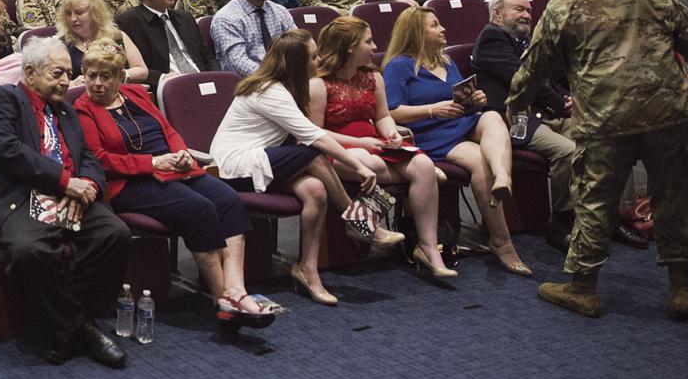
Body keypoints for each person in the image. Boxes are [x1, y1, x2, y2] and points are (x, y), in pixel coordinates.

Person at [509, 0, 688, 319]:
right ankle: (681, 291)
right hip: (667, 113)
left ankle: (583, 289)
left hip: (604, 119)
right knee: (675, 199)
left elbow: (534, 66)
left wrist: (517, 103)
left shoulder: (563, 4)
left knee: (594, 202)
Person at [75, 39, 274, 322]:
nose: (97, 83)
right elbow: (100, 159)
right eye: (91, 75)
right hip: (131, 183)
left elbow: (168, 130)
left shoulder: (137, 94)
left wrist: (181, 152)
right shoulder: (83, 109)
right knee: (199, 209)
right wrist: (153, 162)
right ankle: (223, 300)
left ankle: (236, 289)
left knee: (229, 200)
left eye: (105, 76)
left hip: (174, 168)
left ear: (120, 77)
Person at [0, 36, 131, 367]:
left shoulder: (66, 111)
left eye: (69, 73)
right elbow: (8, 151)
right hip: (20, 195)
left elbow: (87, 156)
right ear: (30, 72)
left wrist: (88, 186)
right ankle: (82, 328)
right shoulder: (2, 99)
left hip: (69, 196)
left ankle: (64, 324)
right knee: (30, 250)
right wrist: (65, 182)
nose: (67, 81)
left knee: (115, 234)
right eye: (58, 73)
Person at [211, 29, 401, 304]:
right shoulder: (269, 91)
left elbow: (305, 133)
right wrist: (358, 166)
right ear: (297, 63)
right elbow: (314, 137)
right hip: (236, 167)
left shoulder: (288, 88)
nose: (319, 60)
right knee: (313, 154)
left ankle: (307, 269)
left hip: (265, 161)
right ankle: (357, 219)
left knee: (315, 190)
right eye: (313, 56)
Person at [382, 6, 531, 276]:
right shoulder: (398, 66)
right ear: (416, 32)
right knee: (480, 164)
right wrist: (432, 110)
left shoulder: (446, 61)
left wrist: (475, 99)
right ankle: (502, 242)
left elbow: (461, 97)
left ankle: (503, 177)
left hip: (460, 124)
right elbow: (390, 112)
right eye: (435, 25)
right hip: (429, 134)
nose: (443, 29)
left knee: (492, 116)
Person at [309, 16, 453, 277]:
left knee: (422, 165)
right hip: (337, 148)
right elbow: (314, 132)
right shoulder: (318, 84)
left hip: (376, 142)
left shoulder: (372, 76)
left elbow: (383, 116)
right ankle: (361, 220)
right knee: (375, 163)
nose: (375, 47)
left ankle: (428, 248)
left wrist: (391, 133)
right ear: (350, 47)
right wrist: (360, 142)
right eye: (368, 41)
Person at [471, 0, 579, 253]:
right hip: (517, 119)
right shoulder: (491, 38)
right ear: (497, 14)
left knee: (600, 137)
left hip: (546, 112)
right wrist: (559, 103)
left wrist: (565, 98)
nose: (527, 15)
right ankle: (561, 224)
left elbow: (548, 78)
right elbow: (523, 80)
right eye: (518, 9)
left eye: (529, 11)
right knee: (568, 152)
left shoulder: (524, 41)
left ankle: (599, 217)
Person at [116, 0, 219, 92]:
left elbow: (207, 57)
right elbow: (137, 68)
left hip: (204, 82)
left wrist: (216, 77)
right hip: (169, 88)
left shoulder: (184, 17)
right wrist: (161, 78)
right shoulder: (128, 22)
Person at [211, 0, 296, 76]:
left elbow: (297, 46)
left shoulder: (280, 11)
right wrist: (273, 77)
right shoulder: (226, 19)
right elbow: (238, 63)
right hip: (251, 82)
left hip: (284, 76)